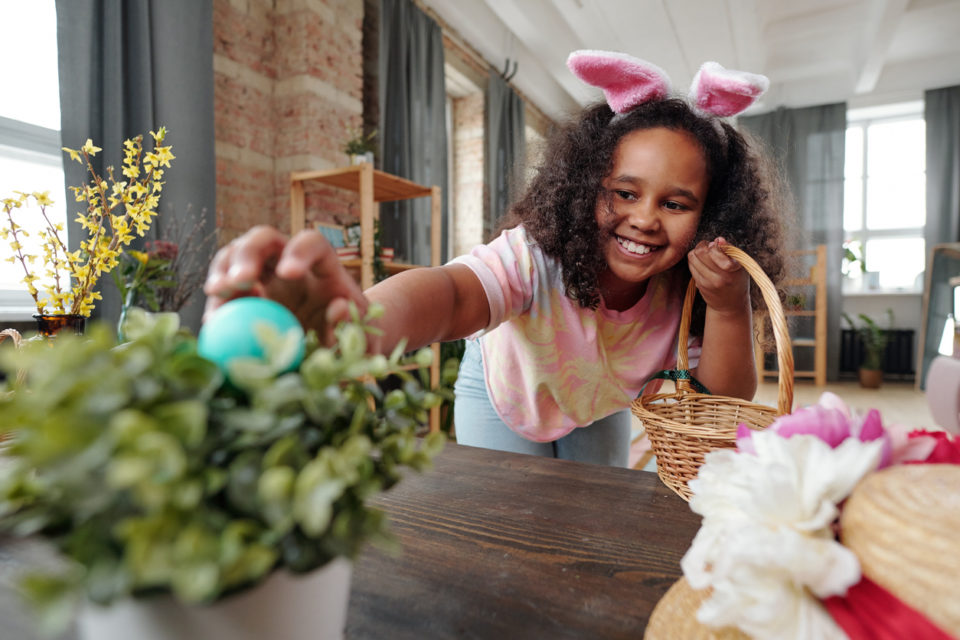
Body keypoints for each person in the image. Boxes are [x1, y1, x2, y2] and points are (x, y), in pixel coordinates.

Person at [203, 51, 790, 468]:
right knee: (508, 518)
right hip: (503, 392)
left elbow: (723, 402)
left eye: (677, 203)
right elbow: (455, 295)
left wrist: (728, 306)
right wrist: (359, 322)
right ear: (587, 186)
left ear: (712, 218)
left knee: (592, 522)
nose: (645, 218)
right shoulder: (538, 257)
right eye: (625, 192)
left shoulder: (683, 294)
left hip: (594, 407)